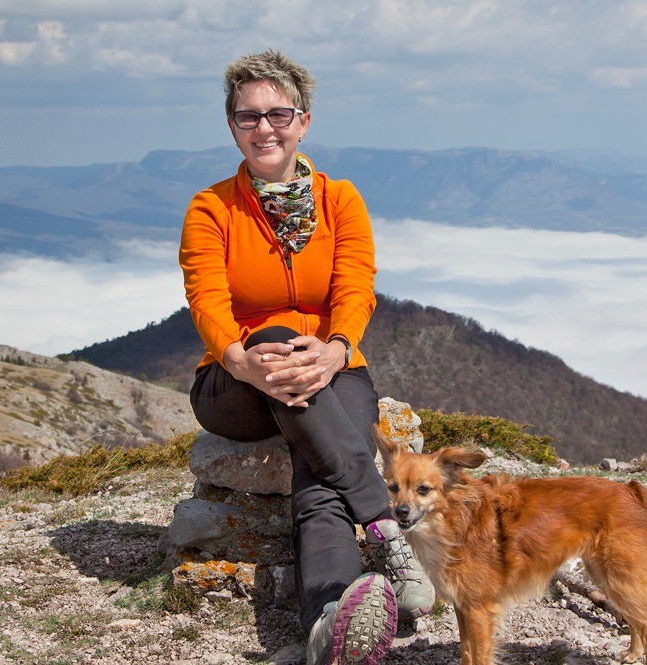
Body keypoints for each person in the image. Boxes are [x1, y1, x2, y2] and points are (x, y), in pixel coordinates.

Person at [179, 49, 435, 665]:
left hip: (331, 368)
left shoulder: (340, 199)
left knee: (319, 470)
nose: (264, 128)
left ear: (304, 122)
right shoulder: (211, 208)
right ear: (232, 126)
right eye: (248, 116)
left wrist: (336, 350)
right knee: (271, 340)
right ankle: (385, 525)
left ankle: (330, 619)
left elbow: (356, 288)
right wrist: (240, 359)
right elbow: (206, 300)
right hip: (235, 383)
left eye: (278, 114)